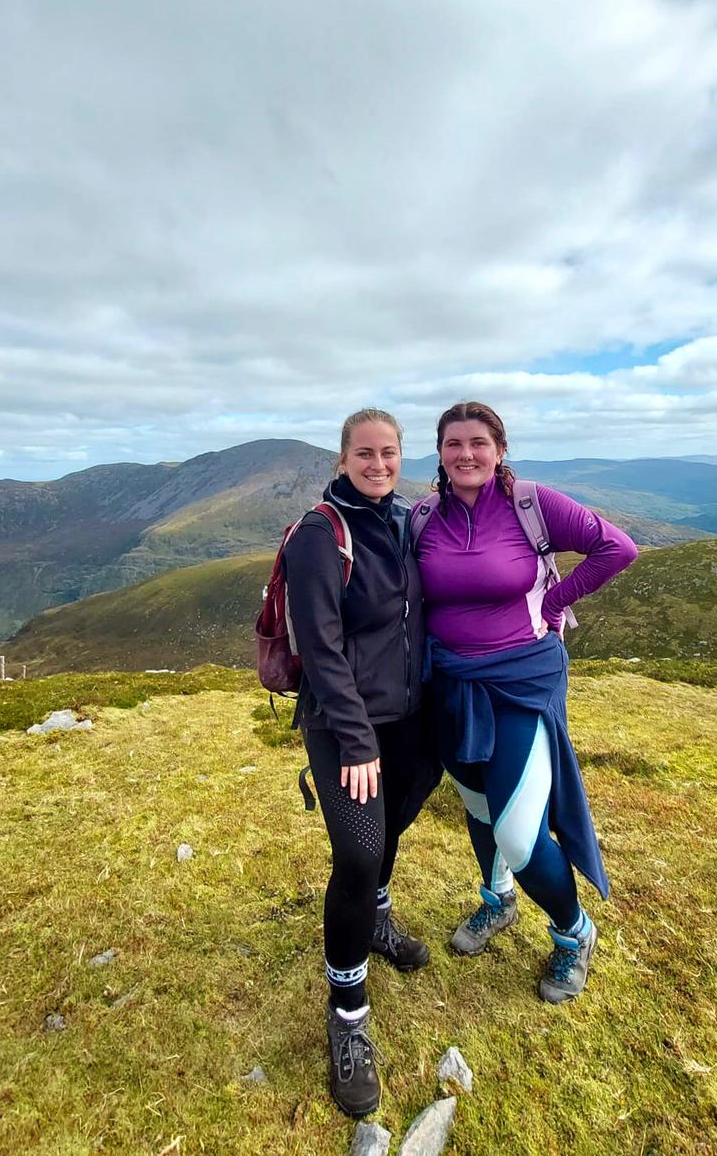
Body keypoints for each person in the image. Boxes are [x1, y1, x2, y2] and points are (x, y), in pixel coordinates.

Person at [414, 401, 637, 1004]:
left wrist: (554, 602)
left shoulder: (531, 503)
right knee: (480, 806)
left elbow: (618, 549)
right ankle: (498, 900)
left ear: (500, 449)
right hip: (451, 682)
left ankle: (573, 932)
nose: (466, 454)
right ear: (439, 452)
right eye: (454, 443)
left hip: (521, 678)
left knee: (517, 830)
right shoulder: (423, 516)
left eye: (478, 442)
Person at [283, 407, 442, 1117]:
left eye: (389, 453)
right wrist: (355, 741)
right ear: (343, 457)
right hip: (346, 725)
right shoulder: (324, 534)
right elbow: (319, 646)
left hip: (410, 718)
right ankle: (347, 1012)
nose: (378, 464)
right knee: (357, 852)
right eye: (365, 453)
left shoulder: (405, 522)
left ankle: (376, 919)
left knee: (393, 828)